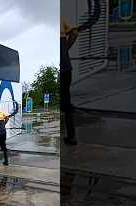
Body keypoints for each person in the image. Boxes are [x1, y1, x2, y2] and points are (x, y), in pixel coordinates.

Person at [61, 17, 79, 145]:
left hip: (61, 70)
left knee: (65, 105)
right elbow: (75, 32)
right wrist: (66, 49)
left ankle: (71, 137)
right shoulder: (60, 21)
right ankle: (71, 136)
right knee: (66, 103)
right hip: (67, 69)